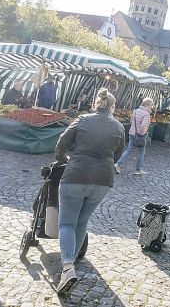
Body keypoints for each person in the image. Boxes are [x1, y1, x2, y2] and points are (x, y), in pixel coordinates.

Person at [53, 88, 125, 294]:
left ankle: (68, 266)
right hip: (103, 180)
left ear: (96, 104)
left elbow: (62, 142)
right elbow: (118, 153)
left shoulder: (82, 119)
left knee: (67, 222)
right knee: (82, 221)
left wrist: (62, 159)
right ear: (112, 107)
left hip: (76, 174)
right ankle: (71, 262)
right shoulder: (119, 126)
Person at [115, 97, 153, 175]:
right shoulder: (146, 114)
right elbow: (143, 126)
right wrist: (142, 133)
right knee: (141, 152)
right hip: (140, 135)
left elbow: (131, 121)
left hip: (132, 133)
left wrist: (135, 130)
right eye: (152, 104)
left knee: (128, 150)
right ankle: (138, 169)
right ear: (147, 105)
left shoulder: (135, 111)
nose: (152, 106)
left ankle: (117, 164)